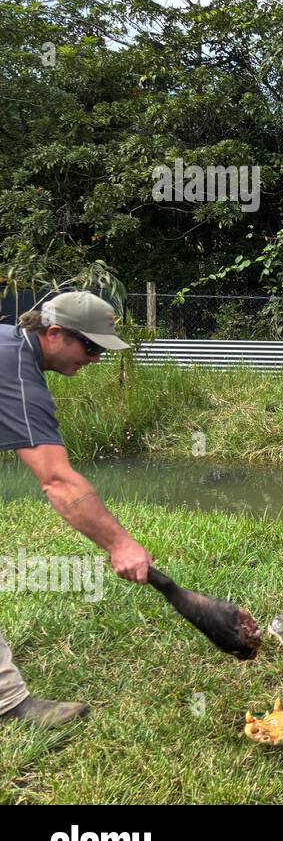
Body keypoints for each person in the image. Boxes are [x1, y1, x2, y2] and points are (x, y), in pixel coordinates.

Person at [0, 291, 153, 727]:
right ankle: (8, 703)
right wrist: (120, 544)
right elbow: (57, 480)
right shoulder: (14, 371)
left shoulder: (11, 347)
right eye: (91, 346)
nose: (96, 359)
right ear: (53, 334)